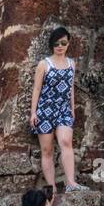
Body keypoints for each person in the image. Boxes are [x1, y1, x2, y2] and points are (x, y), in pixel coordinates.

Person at [29, 27, 89, 195]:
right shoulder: (44, 64)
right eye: (56, 43)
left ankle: (70, 182)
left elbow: (70, 88)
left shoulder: (71, 64)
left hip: (63, 109)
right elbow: (37, 89)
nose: (60, 46)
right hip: (45, 110)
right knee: (47, 150)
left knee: (66, 142)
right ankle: (52, 188)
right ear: (51, 45)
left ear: (68, 44)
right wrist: (33, 112)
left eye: (63, 43)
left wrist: (72, 108)